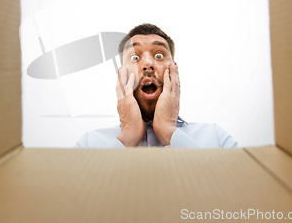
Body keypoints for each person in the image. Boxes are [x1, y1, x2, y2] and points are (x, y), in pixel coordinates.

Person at [74, 23, 238, 148]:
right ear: (121, 76)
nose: (147, 64)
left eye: (159, 55)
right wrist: (127, 137)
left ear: (174, 71)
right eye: (134, 57)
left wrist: (169, 132)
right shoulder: (90, 143)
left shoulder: (214, 137)